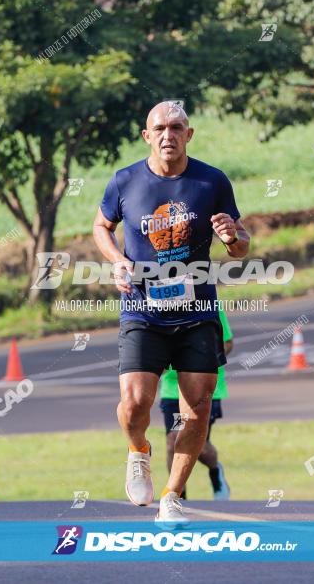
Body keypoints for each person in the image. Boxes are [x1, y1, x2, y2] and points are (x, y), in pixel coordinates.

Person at [92, 101, 250, 528]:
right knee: (134, 404)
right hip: (142, 309)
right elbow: (100, 226)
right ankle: (138, 451)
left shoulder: (211, 180)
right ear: (147, 135)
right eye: (159, 128)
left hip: (198, 311)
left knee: (196, 409)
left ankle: (172, 494)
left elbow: (240, 246)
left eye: (176, 127)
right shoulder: (125, 181)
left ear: (189, 134)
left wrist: (234, 237)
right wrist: (116, 260)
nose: (168, 135)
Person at [159, 309, 233, 501]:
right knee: (173, 440)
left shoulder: (207, 303)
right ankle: (176, 495)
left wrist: (198, 357)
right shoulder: (158, 306)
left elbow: (228, 343)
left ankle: (215, 471)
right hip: (173, 391)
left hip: (203, 387)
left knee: (198, 445)